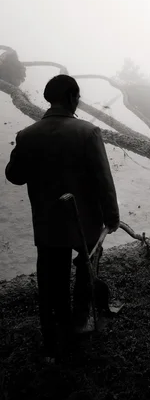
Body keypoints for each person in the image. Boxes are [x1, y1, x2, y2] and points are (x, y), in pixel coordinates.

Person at [5, 74, 120, 362]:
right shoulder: (88, 132)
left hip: (47, 222)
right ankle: (82, 322)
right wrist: (112, 216)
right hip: (86, 223)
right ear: (71, 98)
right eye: (78, 96)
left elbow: (14, 176)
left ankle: (53, 336)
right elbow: (103, 180)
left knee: (50, 278)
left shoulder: (27, 135)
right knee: (86, 270)